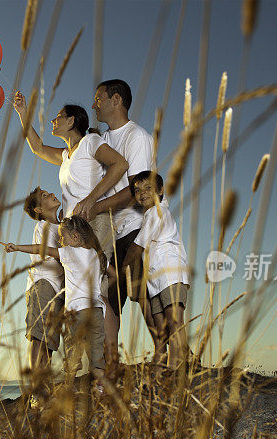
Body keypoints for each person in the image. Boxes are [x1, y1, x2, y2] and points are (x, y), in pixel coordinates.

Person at [13, 92, 125, 372]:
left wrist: (93, 200)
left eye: (58, 117)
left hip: (94, 222)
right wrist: (22, 111)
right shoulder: (65, 155)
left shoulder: (91, 142)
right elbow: (37, 147)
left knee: (98, 292)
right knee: (79, 295)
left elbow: (120, 165)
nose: (53, 120)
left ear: (72, 120)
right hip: (73, 230)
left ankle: (108, 363)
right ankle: (90, 366)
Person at [79, 78, 165, 356]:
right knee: (109, 299)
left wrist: (92, 207)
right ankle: (110, 365)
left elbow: (134, 191)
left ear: (116, 100)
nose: (94, 104)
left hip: (138, 227)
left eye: (99, 98)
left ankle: (167, 359)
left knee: (143, 294)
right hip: (114, 232)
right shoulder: (102, 139)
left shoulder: (136, 137)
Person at [2, 216, 116, 380]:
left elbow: (41, 249)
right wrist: (99, 293)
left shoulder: (70, 252)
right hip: (97, 311)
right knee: (97, 356)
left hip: (76, 311)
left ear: (75, 237)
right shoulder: (98, 255)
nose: (61, 241)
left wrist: (17, 247)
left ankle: (68, 389)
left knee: (72, 356)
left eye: (63, 237)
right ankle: (101, 390)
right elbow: (114, 276)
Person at [121, 171, 190, 368]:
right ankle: (162, 361)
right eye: (137, 190)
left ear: (160, 191)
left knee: (174, 321)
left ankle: (177, 365)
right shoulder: (150, 214)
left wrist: (124, 266)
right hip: (156, 278)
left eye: (148, 188)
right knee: (161, 325)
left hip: (170, 273)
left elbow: (138, 246)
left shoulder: (158, 212)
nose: (142, 193)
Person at [19, 187, 64, 394]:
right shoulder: (44, 226)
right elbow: (46, 252)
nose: (51, 194)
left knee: (49, 341)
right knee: (40, 337)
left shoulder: (60, 226)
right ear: (38, 209)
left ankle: (44, 386)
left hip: (57, 289)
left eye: (49, 192)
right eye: (45, 196)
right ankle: (37, 390)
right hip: (43, 284)